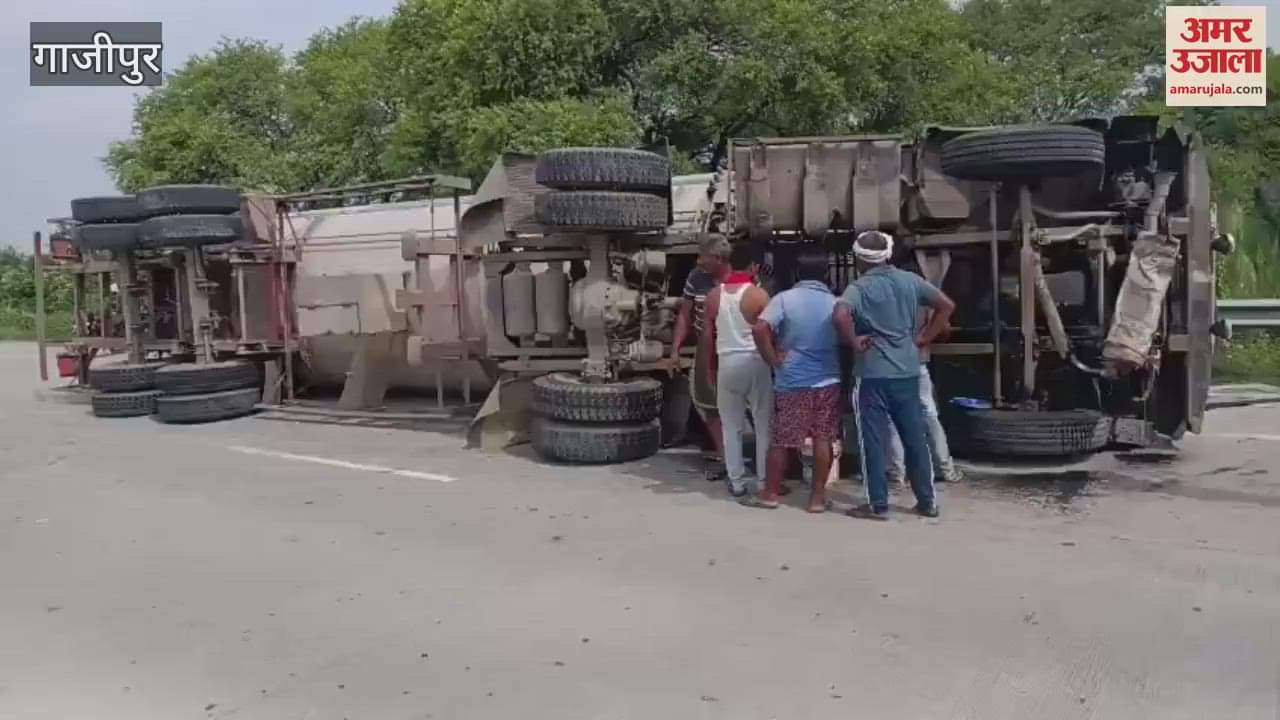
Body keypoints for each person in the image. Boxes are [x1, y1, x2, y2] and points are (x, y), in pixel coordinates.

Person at [834, 230, 955, 520]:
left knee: (874, 440)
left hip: (873, 374)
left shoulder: (859, 288)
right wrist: (924, 337)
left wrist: (854, 341)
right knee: (915, 437)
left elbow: (839, 315)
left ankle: (878, 504)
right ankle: (927, 502)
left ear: (860, 259)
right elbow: (946, 306)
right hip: (907, 371)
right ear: (888, 254)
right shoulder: (910, 281)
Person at [741, 248, 842, 513]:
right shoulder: (835, 302)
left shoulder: (784, 300)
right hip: (827, 380)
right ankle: (817, 499)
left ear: (797, 273)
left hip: (792, 381)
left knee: (783, 440)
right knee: (824, 438)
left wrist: (772, 359)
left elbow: (760, 327)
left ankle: (770, 495)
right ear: (826, 274)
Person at [700, 243, 772, 497]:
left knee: (731, 427)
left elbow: (707, 337)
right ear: (753, 267)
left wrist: (708, 370)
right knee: (764, 425)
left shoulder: (713, 296)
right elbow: (770, 333)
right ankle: (765, 482)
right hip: (756, 363)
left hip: (727, 364)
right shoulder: (759, 295)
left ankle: (737, 481)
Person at [671, 234, 731, 473]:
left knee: (743, 407)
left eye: (703, 257)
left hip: (732, 351)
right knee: (708, 405)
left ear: (717, 259)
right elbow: (685, 315)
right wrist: (675, 349)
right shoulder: (696, 278)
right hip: (706, 351)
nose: (698, 261)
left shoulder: (740, 279)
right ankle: (727, 459)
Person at [886, 308, 964, 485]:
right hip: (917, 361)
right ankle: (946, 469)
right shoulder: (920, 294)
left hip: (891, 363)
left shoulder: (885, 292)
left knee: (892, 417)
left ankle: (897, 472)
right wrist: (925, 338)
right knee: (929, 415)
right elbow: (944, 328)